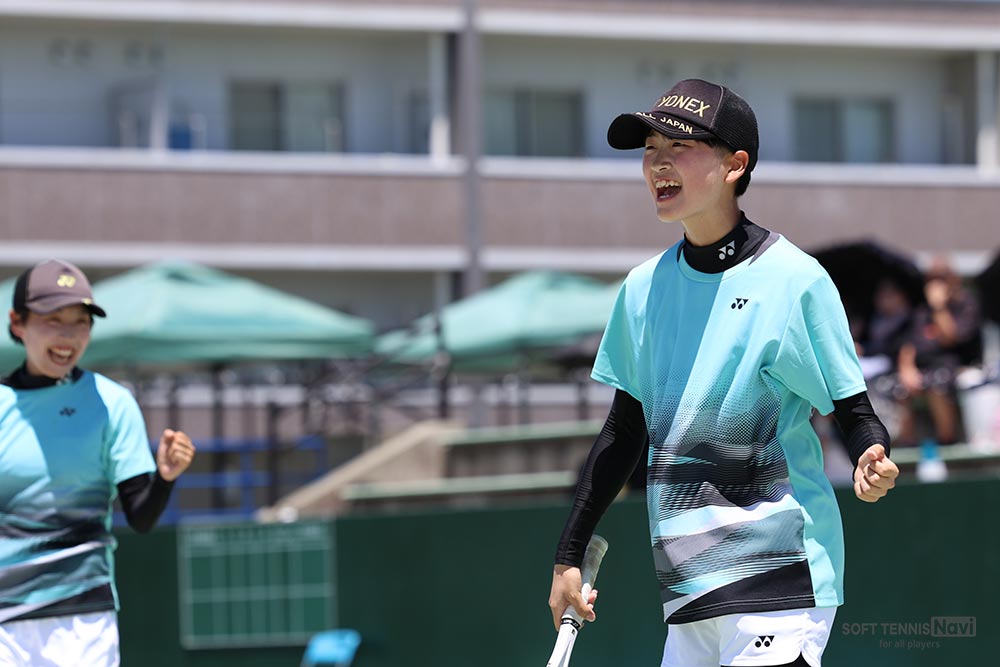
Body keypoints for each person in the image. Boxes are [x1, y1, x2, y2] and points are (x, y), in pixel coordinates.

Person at [547, 79, 899, 667]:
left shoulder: (795, 279)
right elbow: (623, 432)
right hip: (689, 596)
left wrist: (871, 453)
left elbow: (854, 411)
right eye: (650, 148)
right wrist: (569, 555)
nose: (657, 162)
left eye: (679, 146)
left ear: (735, 165)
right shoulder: (642, 289)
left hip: (781, 580)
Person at [0, 259, 195, 666]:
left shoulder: (113, 403)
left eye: (81, 322)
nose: (68, 336)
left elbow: (141, 517)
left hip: (85, 619)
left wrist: (164, 478)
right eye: (53, 320)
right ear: (18, 323)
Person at [896, 257, 982, 448]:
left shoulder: (965, 304)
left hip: (956, 365)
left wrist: (939, 307)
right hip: (923, 366)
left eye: (941, 279)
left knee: (937, 384)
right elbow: (908, 343)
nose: (936, 285)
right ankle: (905, 444)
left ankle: (946, 441)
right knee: (898, 388)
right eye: (932, 279)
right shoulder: (921, 310)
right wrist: (906, 369)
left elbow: (950, 337)